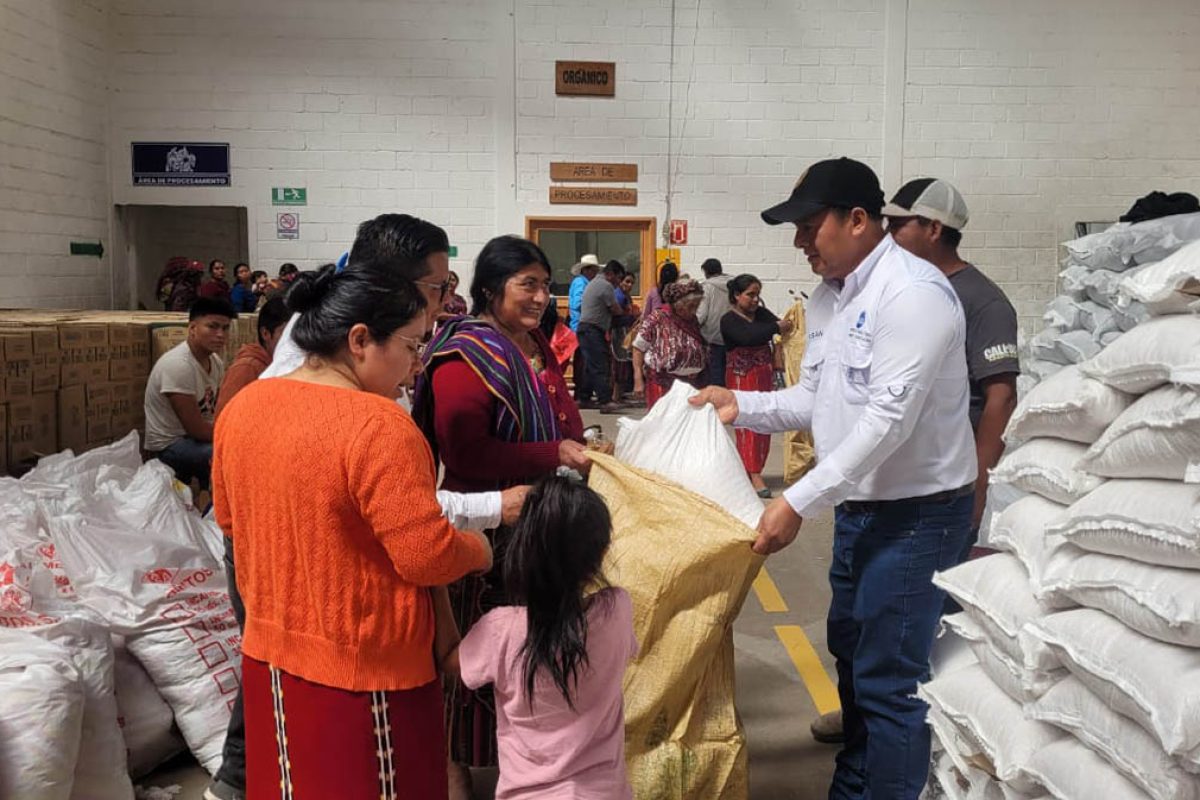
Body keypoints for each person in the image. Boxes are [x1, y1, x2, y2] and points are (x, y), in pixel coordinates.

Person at [691, 157, 976, 800]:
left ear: (858, 220)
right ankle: (855, 784)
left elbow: (888, 423)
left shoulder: (913, 295)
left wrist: (797, 501)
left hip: (917, 515)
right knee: (851, 654)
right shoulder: (829, 298)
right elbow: (814, 399)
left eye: (808, 225)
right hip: (860, 509)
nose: (799, 241)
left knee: (890, 681)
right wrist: (739, 405)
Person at [211, 262, 494, 800]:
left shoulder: (244, 408)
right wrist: (478, 549)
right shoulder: (379, 425)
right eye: (411, 346)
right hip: (368, 672)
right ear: (360, 340)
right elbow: (425, 555)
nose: (417, 365)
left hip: (271, 656)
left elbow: (230, 523)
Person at [807, 179, 1024, 749]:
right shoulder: (869, 289)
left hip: (930, 491)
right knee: (857, 637)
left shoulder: (974, 299)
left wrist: (978, 483)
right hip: (873, 490)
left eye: (900, 222)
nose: (890, 230)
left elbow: (999, 396)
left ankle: (904, 743)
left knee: (906, 642)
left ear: (934, 228)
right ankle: (865, 734)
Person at [411, 235, 590, 800]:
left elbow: (559, 412)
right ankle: (452, 767)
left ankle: (522, 762)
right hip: (484, 530)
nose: (539, 296)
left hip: (534, 522)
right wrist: (554, 453)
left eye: (545, 285)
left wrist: (578, 445)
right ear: (491, 288)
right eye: (526, 284)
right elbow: (466, 455)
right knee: (470, 658)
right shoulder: (467, 355)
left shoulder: (531, 341)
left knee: (525, 656)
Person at [446, 476, 637, 800]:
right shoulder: (617, 610)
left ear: (522, 553)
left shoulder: (501, 631)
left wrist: (437, 581)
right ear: (602, 553)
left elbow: (449, 660)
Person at [144, 297, 236, 488]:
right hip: (170, 445)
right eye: (212, 327)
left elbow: (216, 412)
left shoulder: (215, 362)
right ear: (193, 328)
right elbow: (196, 429)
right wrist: (235, 436)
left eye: (225, 328)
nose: (220, 334)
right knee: (232, 455)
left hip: (196, 439)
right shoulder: (178, 365)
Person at [721, 274, 793, 497]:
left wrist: (780, 325)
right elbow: (749, 337)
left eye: (757, 295)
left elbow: (780, 326)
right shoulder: (728, 320)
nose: (755, 300)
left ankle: (752, 469)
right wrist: (775, 327)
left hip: (763, 376)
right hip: (742, 377)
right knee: (747, 423)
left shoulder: (761, 314)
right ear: (736, 295)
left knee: (765, 422)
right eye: (750, 295)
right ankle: (753, 474)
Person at [631, 278, 707, 408]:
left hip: (690, 383)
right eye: (691, 306)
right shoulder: (658, 317)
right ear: (678, 304)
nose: (694, 310)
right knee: (663, 418)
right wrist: (638, 378)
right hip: (662, 383)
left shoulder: (692, 320)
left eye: (697, 305)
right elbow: (638, 348)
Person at [214, 297, 290, 418]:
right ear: (265, 333)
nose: (294, 341)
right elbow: (224, 418)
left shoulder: (282, 364)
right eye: (286, 333)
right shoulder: (247, 368)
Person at [576, 260, 627, 414]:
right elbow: (616, 309)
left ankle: (584, 397)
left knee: (591, 365)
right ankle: (605, 400)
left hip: (587, 329)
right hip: (592, 329)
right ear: (610, 274)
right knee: (600, 365)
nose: (619, 283)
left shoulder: (595, 283)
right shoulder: (605, 285)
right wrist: (628, 315)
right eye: (618, 278)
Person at [696, 258, 734, 388]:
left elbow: (701, 315)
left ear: (706, 272)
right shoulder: (735, 284)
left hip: (713, 337)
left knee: (716, 376)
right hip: (734, 337)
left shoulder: (707, 287)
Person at [568, 255, 600, 403]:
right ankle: (581, 393)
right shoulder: (581, 283)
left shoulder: (583, 282)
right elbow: (577, 303)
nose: (595, 273)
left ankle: (583, 392)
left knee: (585, 360)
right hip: (581, 325)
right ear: (586, 270)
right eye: (593, 270)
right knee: (584, 361)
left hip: (581, 325)